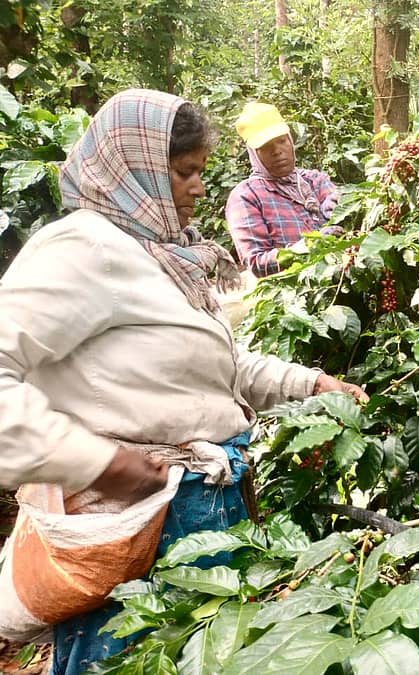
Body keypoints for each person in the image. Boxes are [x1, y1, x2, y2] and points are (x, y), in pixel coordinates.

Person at [0, 89, 366, 674]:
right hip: (137, 522)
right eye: (183, 172)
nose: (199, 187)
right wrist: (96, 463)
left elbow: (217, 366)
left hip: (204, 503)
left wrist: (312, 383)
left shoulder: (165, 254)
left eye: (199, 170)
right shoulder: (82, 249)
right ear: (133, 170)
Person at [226, 101, 341, 277]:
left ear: (290, 140)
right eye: (266, 147)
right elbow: (257, 263)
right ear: (253, 154)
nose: (277, 151)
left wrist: (340, 206)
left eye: (281, 141)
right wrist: (308, 246)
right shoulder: (246, 197)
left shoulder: (314, 180)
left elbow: (345, 217)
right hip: (290, 297)